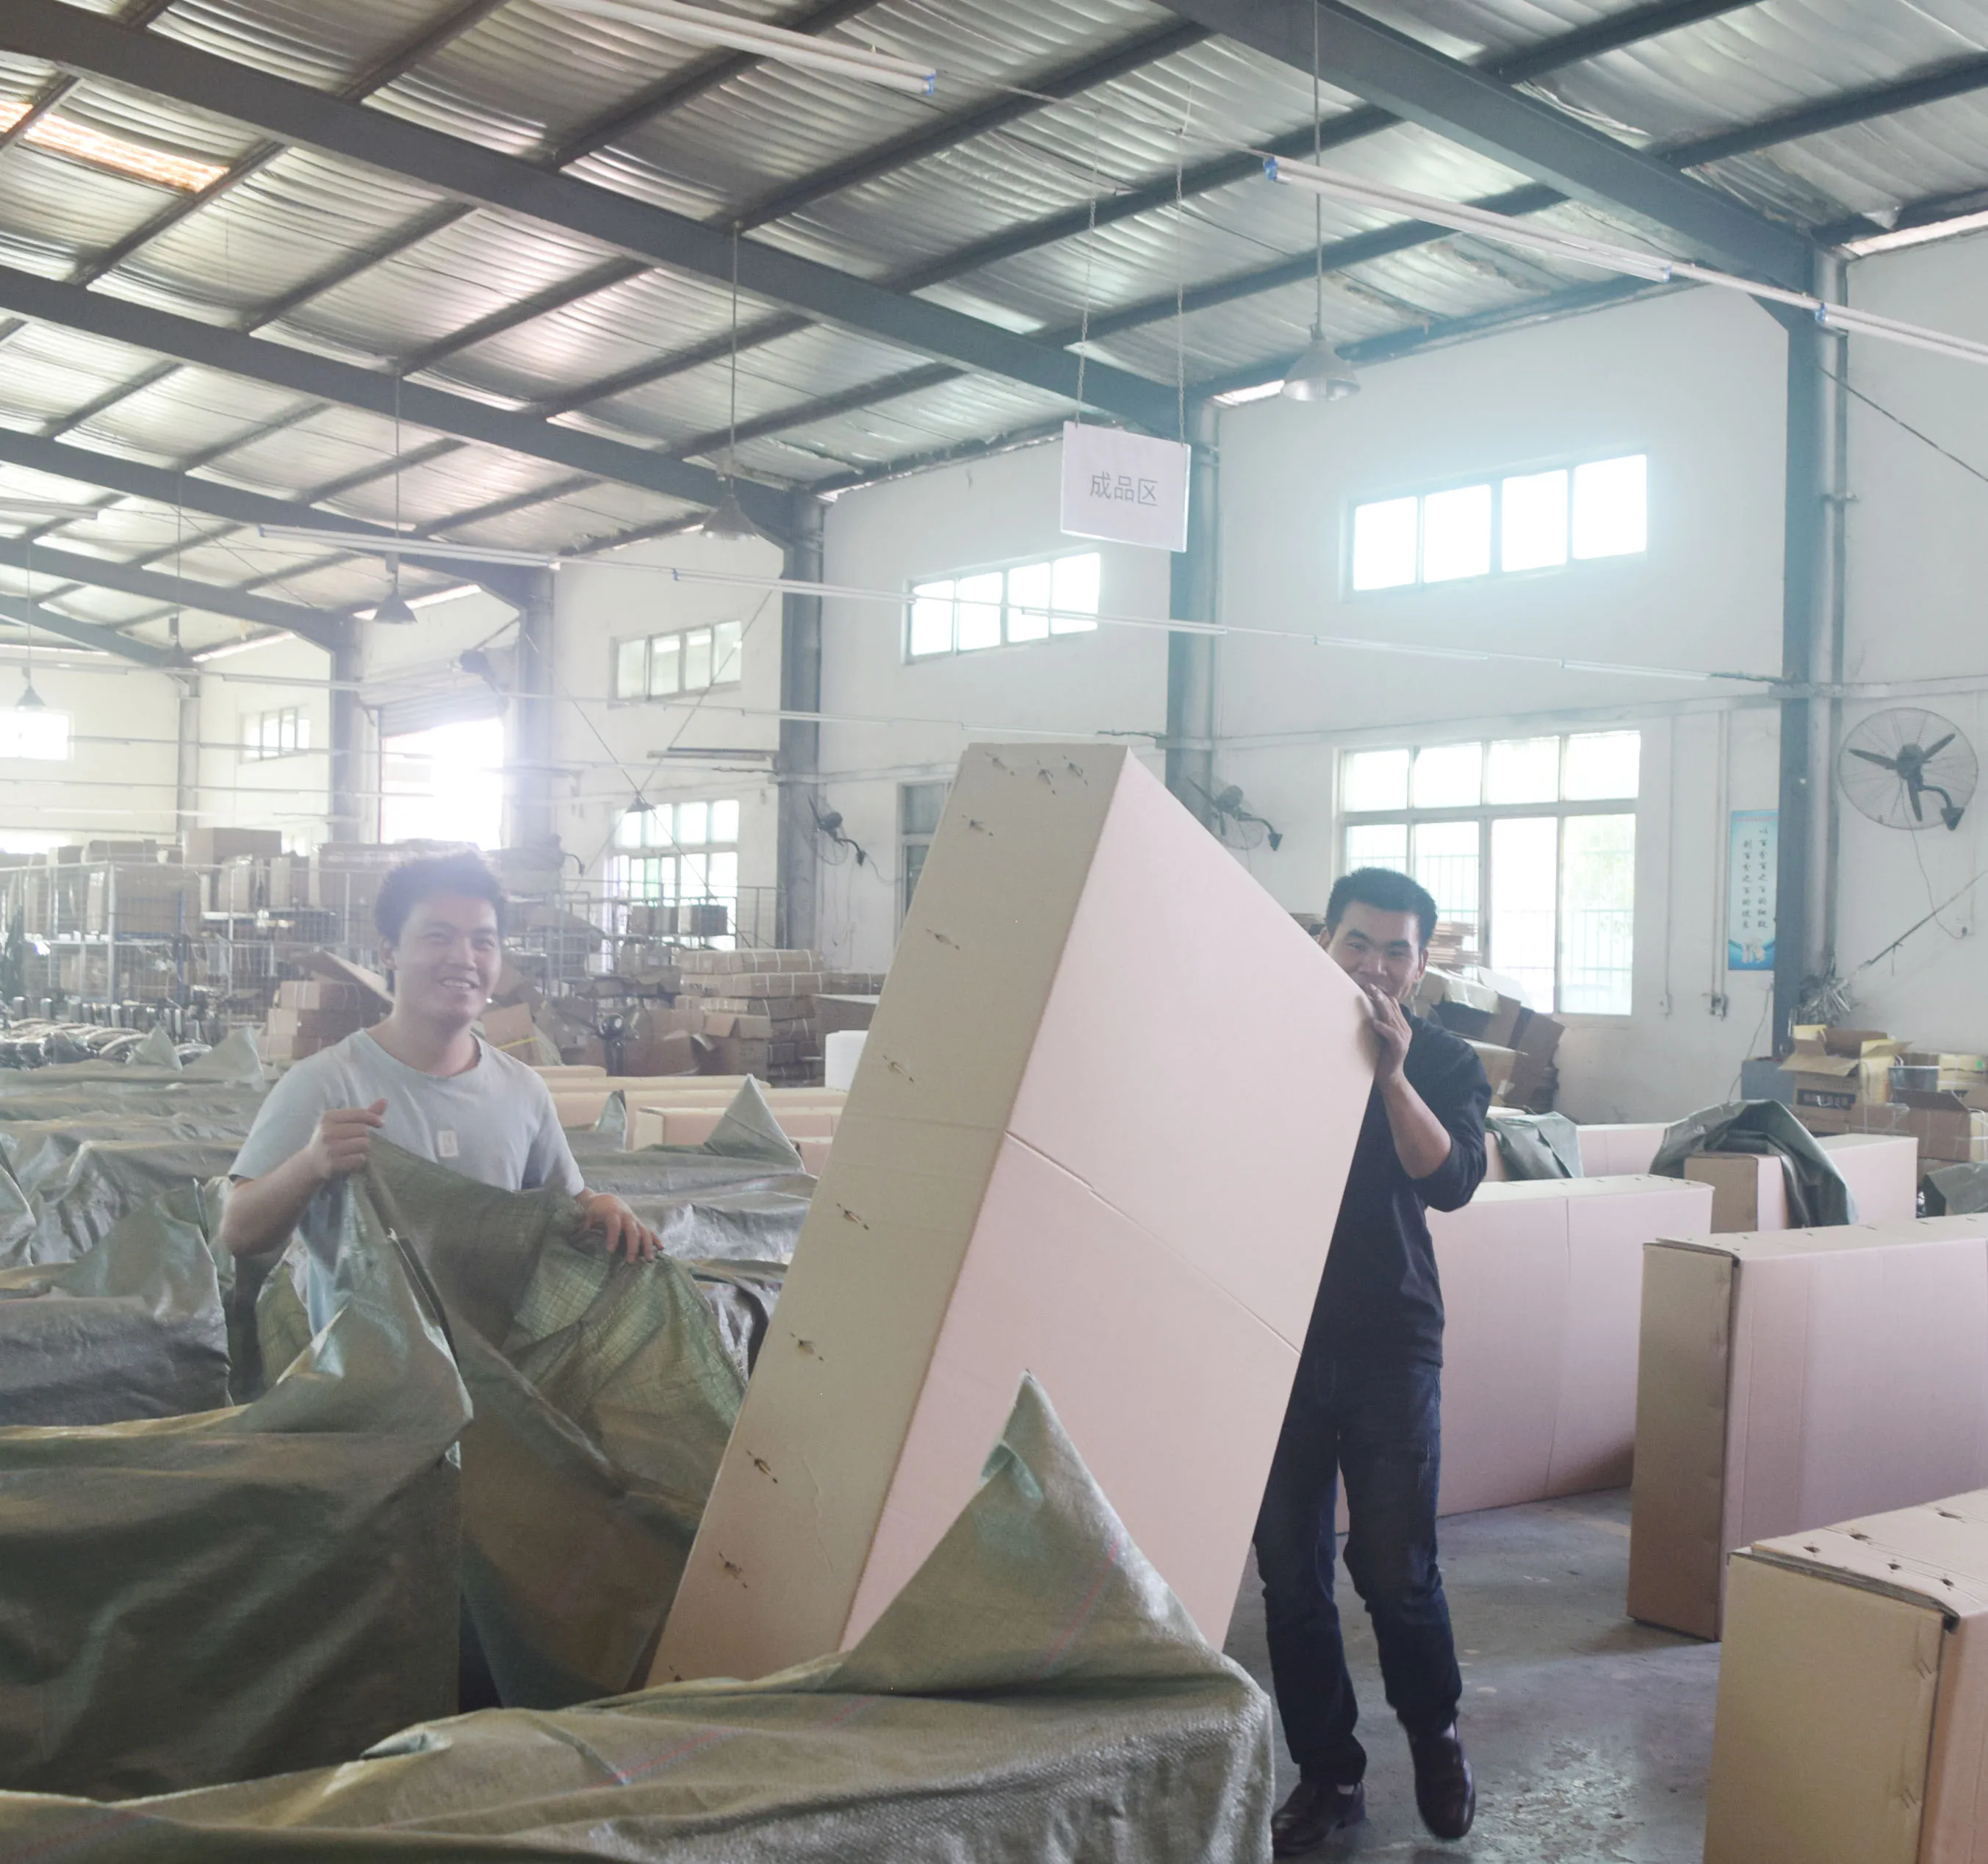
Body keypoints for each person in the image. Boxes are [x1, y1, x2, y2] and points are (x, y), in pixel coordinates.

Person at [1257, 867, 1490, 1854]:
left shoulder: (1442, 1057)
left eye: (1397, 950)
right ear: (1324, 939)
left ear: (1421, 964)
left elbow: (1453, 1181)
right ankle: (1329, 1773)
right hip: (1274, 1333)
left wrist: (1390, 1073)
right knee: (1291, 1577)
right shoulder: (1266, 1036)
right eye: (1357, 941)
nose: (1375, 965)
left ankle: (1434, 1733)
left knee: (1395, 1568)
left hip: (1391, 1337)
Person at [221, 852, 659, 1262]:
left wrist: (602, 1205)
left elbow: (572, 1202)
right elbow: (238, 1233)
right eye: (438, 937)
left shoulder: (522, 1090)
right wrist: (309, 1166)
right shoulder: (325, 1084)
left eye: (483, 941)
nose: (464, 958)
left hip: (494, 1322)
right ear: (389, 951)